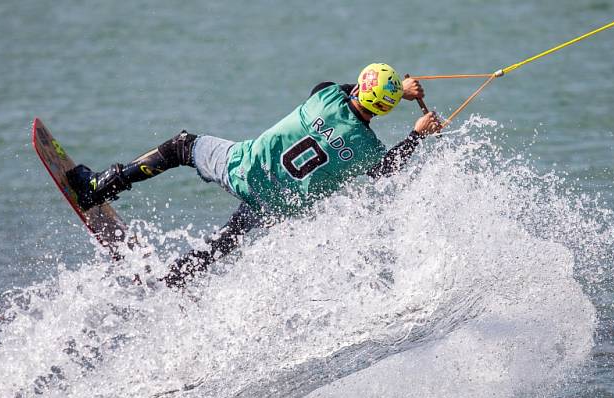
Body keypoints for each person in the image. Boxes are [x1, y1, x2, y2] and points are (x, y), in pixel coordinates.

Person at [67, 63, 442, 288]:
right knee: (235, 231)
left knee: (181, 146)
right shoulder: (367, 150)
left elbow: (340, 89)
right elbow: (387, 170)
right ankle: (179, 279)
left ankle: (100, 185)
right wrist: (416, 135)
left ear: (361, 86)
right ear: (387, 108)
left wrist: (399, 89)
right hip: (278, 204)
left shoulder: (325, 98)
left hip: (245, 170)